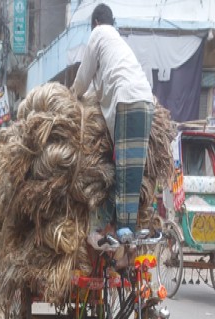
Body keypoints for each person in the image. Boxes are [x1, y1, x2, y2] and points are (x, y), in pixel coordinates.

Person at [71, 3, 155, 232]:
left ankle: (124, 229)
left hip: (127, 101)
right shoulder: (117, 44)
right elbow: (97, 88)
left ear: (95, 23)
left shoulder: (99, 34)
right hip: (145, 102)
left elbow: (83, 76)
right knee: (133, 169)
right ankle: (124, 226)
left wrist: (70, 97)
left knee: (124, 168)